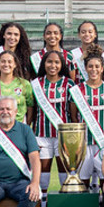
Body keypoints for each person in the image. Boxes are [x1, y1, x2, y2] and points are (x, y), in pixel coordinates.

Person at [67, 44, 104, 188]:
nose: (94, 69)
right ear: (85, 68)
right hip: (84, 143)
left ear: (102, 68)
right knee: (83, 181)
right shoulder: (76, 90)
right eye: (90, 66)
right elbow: (74, 117)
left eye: (97, 66)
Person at [31, 50, 74, 198]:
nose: (53, 65)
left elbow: (73, 112)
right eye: (49, 61)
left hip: (63, 136)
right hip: (41, 135)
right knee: (43, 178)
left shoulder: (69, 84)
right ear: (44, 64)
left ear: (62, 65)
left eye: (57, 62)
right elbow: (32, 110)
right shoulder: (36, 84)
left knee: (64, 176)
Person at [0, 50, 34, 126]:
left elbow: (30, 107)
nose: (6, 64)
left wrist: (26, 127)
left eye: (9, 62)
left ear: (15, 64)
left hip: (19, 129)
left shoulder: (24, 84)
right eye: (3, 61)